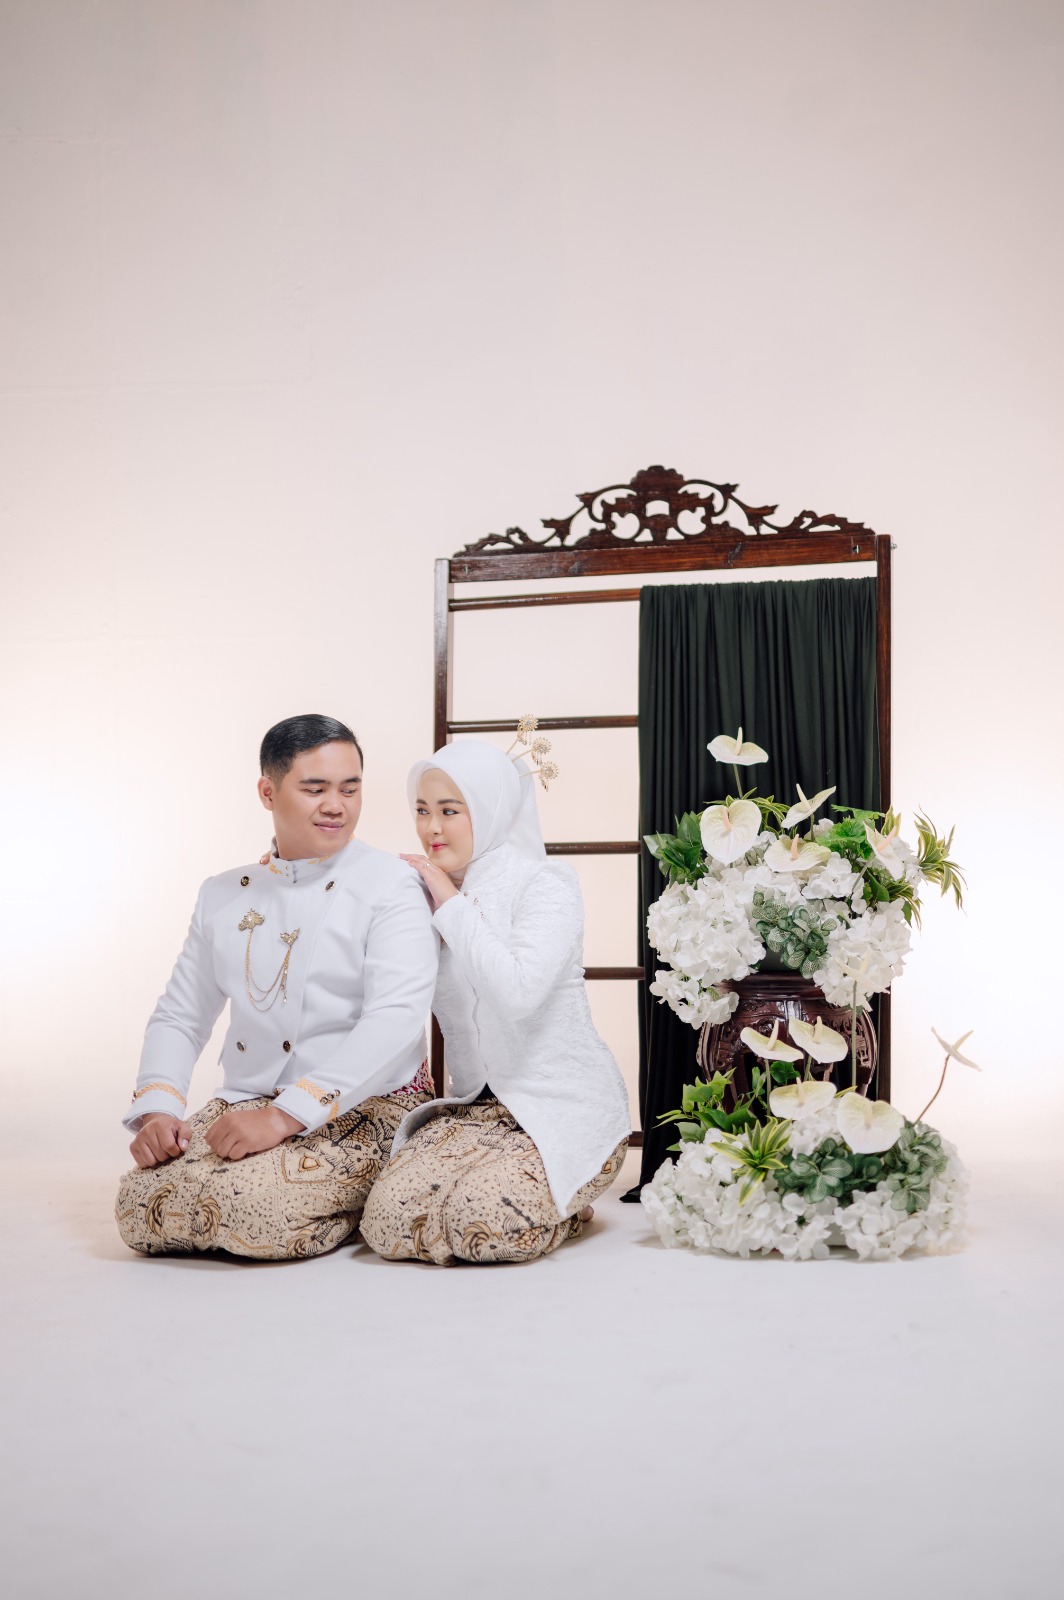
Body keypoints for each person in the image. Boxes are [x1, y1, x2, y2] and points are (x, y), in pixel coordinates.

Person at [114, 714, 438, 1260]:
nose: (336, 806)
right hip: (247, 1101)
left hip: (366, 1103)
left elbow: (396, 1019)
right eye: (315, 789)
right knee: (139, 1207)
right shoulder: (223, 894)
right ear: (268, 792)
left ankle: (371, 1190)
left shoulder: (391, 884)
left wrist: (284, 1116)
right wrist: (159, 1111)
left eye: (350, 789)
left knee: (252, 1211)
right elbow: (181, 1014)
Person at [360, 736, 631, 1265]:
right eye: (421, 810)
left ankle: (566, 1206)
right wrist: (293, 879)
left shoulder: (546, 884)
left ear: (489, 810)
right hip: (477, 1111)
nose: (431, 828)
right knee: (386, 1223)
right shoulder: (423, 893)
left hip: (561, 1107)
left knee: (482, 1226)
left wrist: (449, 901)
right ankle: (549, 1204)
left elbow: (516, 993)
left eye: (449, 811)